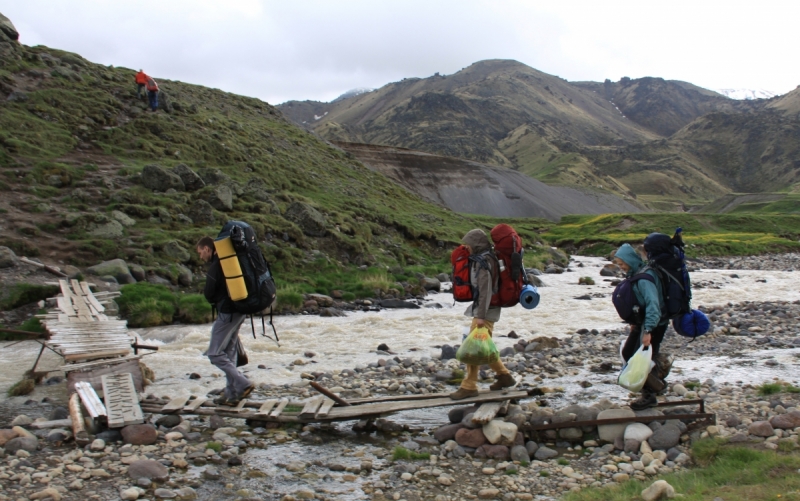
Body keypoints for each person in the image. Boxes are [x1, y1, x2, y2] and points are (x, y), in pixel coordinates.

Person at [450, 229, 516, 400]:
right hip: (486, 308)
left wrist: (481, 316)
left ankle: (469, 386)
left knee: (473, 348)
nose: (466, 248)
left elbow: (486, 290)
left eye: (468, 245)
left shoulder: (484, 261)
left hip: (486, 309)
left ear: (476, 244)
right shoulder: (485, 258)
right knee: (483, 346)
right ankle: (504, 376)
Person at [612, 243, 673, 410]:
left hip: (654, 324)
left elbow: (653, 305)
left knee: (643, 360)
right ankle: (658, 377)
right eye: (618, 264)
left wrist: (648, 331)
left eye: (621, 263)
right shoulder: (637, 274)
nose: (621, 267)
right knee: (629, 353)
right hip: (643, 323)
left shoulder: (644, 279)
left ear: (629, 260)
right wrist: (635, 323)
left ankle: (651, 394)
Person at [197, 236, 254, 406]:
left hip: (227, 313)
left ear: (207, 249)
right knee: (229, 352)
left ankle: (243, 383)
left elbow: (209, 292)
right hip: (240, 309)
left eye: (200, 252)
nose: (200, 257)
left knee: (214, 354)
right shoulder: (228, 262)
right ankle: (232, 393)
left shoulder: (216, 265)